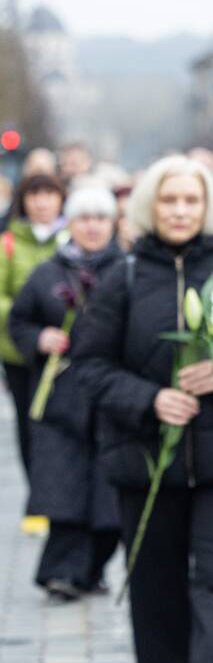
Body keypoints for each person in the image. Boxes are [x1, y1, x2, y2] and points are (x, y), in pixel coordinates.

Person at [72, 155, 213, 663]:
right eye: (169, 200)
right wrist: (148, 399)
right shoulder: (121, 278)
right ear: (150, 205)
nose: (180, 210)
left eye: (191, 200)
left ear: (208, 206)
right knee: (156, 596)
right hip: (145, 462)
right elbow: (88, 365)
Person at [9, 186, 124, 600]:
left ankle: (91, 569)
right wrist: (40, 338)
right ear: (70, 224)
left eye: (100, 219)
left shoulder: (127, 270)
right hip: (62, 396)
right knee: (66, 490)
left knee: (108, 497)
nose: (92, 227)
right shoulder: (48, 272)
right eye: (84, 219)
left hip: (112, 397)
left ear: (113, 225)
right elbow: (19, 321)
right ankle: (61, 572)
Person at [0, 174, 68, 508]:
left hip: (67, 354)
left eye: (49, 194)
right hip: (20, 352)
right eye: (34, 195)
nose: (41, 202)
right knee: (29, 424)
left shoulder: (72, 239)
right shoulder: (9, 244)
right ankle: (36, 497)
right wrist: (30, 312)